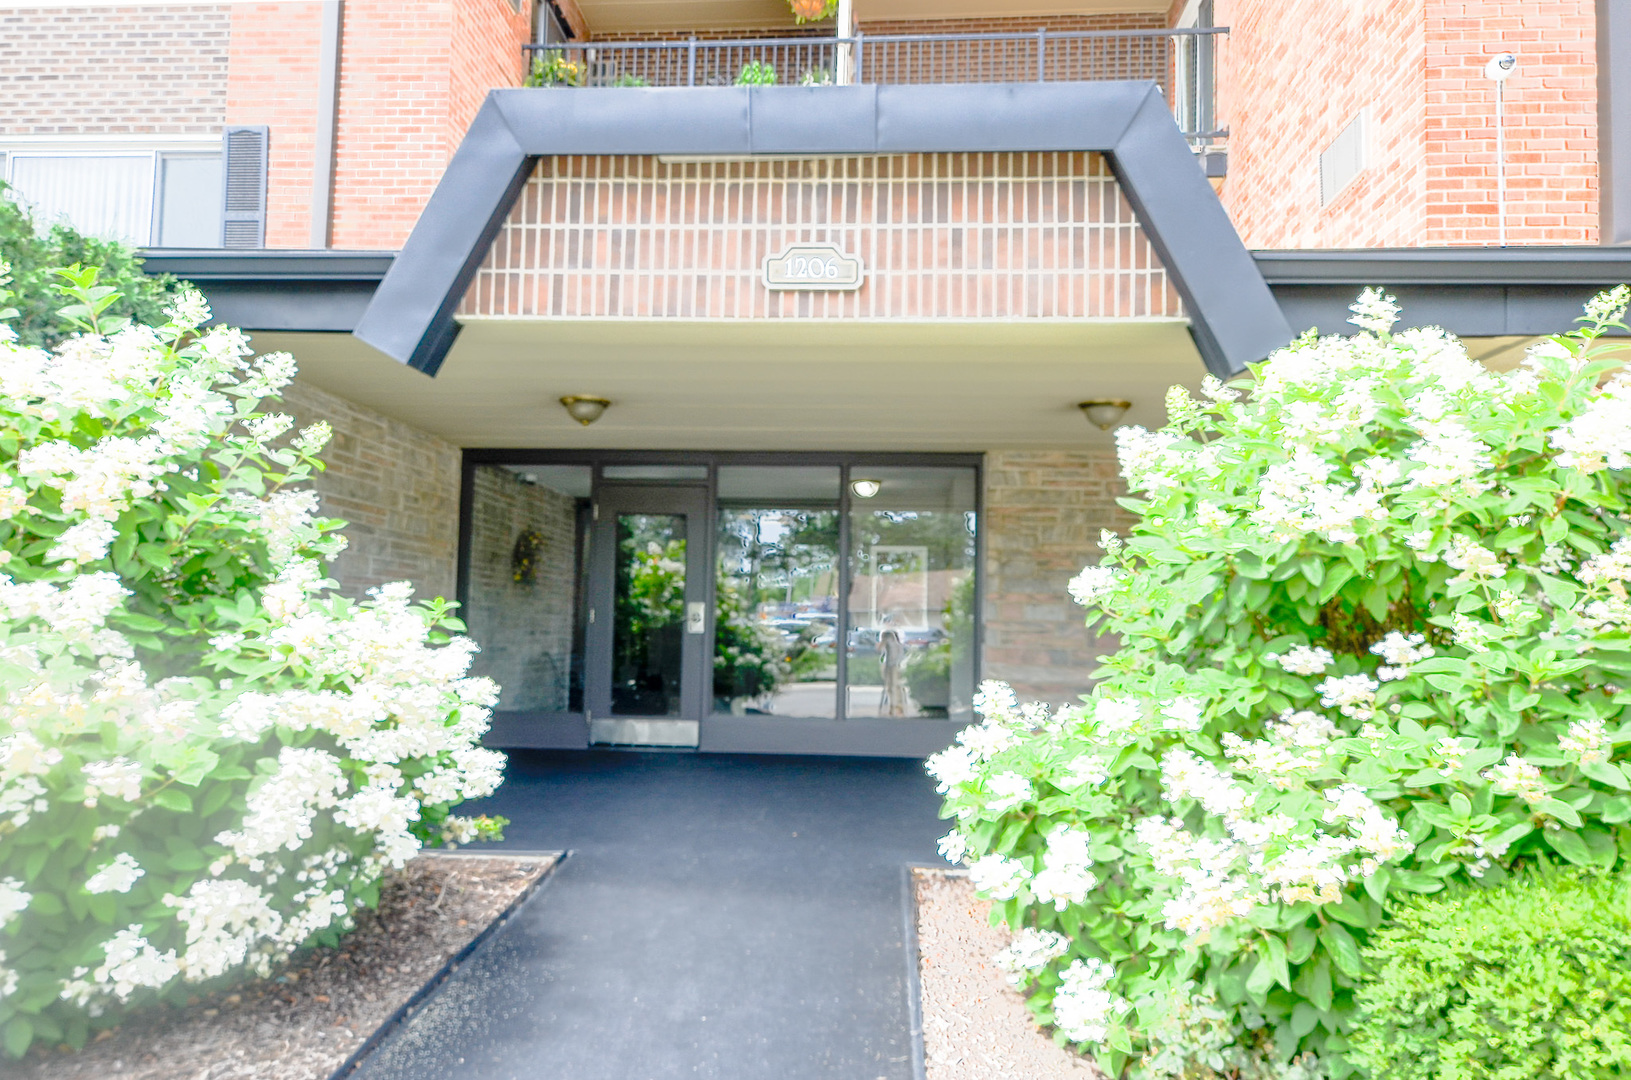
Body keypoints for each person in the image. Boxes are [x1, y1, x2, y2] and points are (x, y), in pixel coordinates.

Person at [878, 621, 907, 717]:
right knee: (889, 686)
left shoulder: (896, 640)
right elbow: (879, 649)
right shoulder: (884, 638)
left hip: (894, 664)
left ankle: (898, 708)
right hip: (886, 664)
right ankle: (892, 707)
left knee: (896, 686)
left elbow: (897, 653)